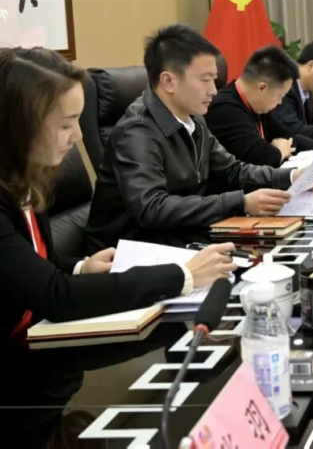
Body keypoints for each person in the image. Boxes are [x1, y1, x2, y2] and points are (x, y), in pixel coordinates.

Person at [0, 48, 236, 338]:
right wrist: (183, 275)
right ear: (19, 126)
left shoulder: (25, 178)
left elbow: (38, 262)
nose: (78, 136)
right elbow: (54, 296)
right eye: (65, 124)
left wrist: (81, 267)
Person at [87, 25, 300, 251]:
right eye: (205, 80)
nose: (214, 91)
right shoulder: (136, 132)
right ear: (168, 81)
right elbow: (152, 208)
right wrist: (241, 202)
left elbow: (233, 170)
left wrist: (291, 176)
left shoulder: (194, 119)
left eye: (214, 80)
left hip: (180, 233)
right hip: (131, 249)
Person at [206, 46, 313, 167]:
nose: (280, 102)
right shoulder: (225, 109)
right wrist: (280, 151)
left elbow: (288, 137)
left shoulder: (257, 106)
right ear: (262, 88)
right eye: (280, 96)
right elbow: (260, 157)